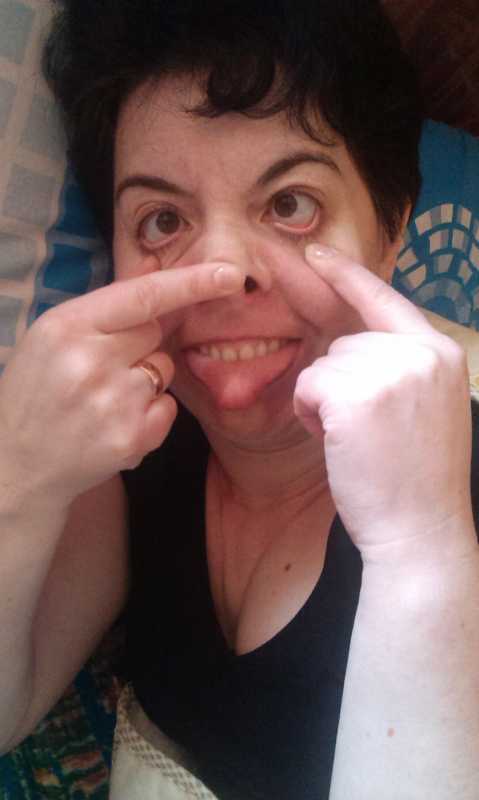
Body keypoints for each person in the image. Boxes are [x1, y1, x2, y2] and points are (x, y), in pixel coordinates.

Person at [0, 1, 478, 798]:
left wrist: (418, 549)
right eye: (162, 220)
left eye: (289, 204)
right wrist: (17, 478)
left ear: (390, 230)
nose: (223, 275)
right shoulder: (127, 452)